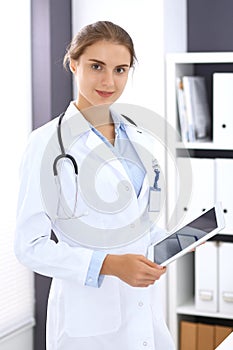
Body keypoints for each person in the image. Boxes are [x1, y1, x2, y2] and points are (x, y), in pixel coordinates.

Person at [14, 21, 175, 350]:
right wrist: (109, 265)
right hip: (87, 321)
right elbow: (29, 245)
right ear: (74, 64)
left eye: (120, 69)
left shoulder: (138, 136)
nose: (109, 81)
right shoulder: (46, 143)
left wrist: (176, 240)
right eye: (96, 66)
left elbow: (138, 223)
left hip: (144, 311)